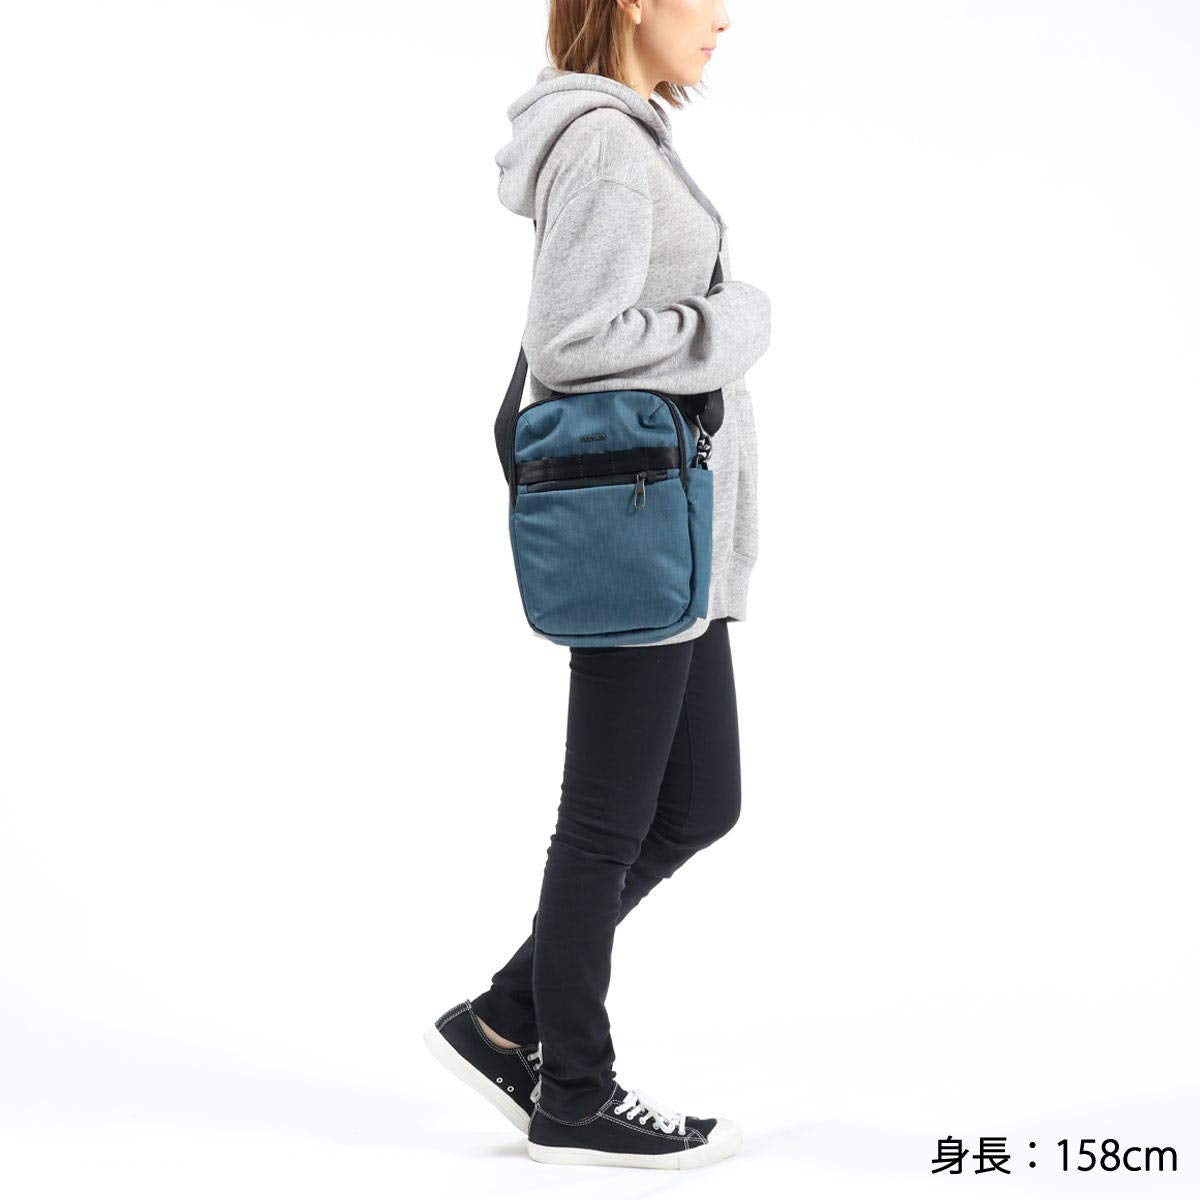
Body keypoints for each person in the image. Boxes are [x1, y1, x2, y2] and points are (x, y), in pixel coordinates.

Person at [424, 0, 771, 1170]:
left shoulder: (627, 135)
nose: (724, 19)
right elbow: (571, 340)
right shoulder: (608, 146)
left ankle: (502, 1019)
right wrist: (727, 324)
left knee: (699, 803)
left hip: (674, 531)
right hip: (640, 527)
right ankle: (573, 1091)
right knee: (606, 820)